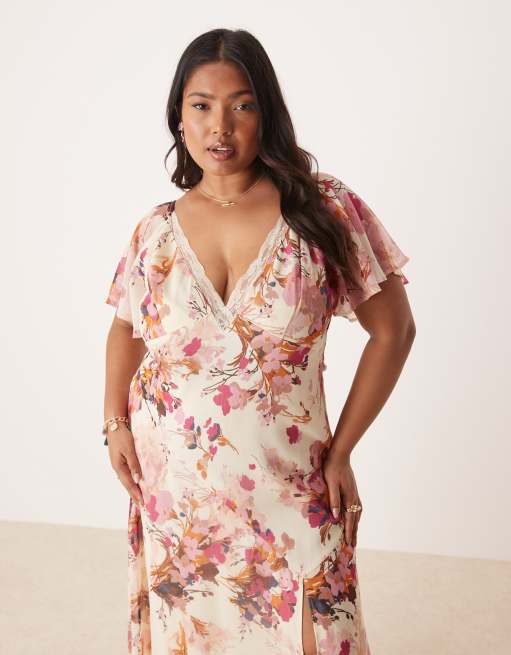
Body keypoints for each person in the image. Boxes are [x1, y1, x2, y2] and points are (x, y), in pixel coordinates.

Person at [103, 27, 415, 655]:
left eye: (242, 105)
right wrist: (114, 424)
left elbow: (394, 330)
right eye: (201, 105)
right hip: (177, 493)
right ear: (179, 116)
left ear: (267, 112)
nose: (220, 126)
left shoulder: (323, 209)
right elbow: (125, 327)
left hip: (295, 483)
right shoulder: (155, 232)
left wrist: (341, 452)